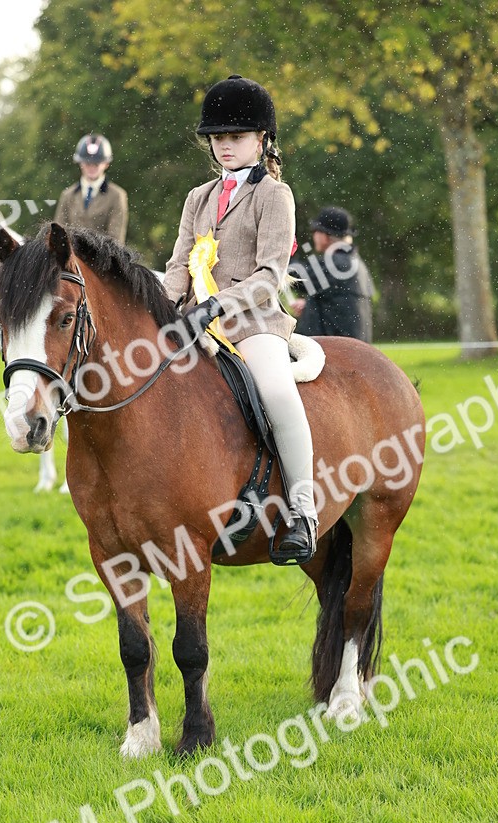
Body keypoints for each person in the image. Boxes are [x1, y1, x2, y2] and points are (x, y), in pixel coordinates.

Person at [163, 75, 318, 564]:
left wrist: (220, 304)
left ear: (261, 139)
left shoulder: (275, 195)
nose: (225, 145)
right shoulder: (196, 198)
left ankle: (303, 510)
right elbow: (177, 267)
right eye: (218, 137)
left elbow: (271, 273)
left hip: (251, 323)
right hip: (194, 321)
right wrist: (161, 306)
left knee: (275, 391)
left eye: (235, 136)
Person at [291, 206, 374, 342]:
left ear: (325, 235)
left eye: (315, 231)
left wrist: (280, 255)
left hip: (337, 353)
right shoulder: (355, 263)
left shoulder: (337, 264)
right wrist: (310, 306)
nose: (313, 236)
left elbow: (296, 277)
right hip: (353, 350)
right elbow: (339, 304)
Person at [54, 133, 129, 244]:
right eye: (87, 163)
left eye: (96, 163)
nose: (91, 167)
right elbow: (58, 233)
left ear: (106, 164)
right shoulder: (67, 195)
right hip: (71, 257)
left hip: (102, 257)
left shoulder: (117, 195)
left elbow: (115, 239)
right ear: (80, 163)